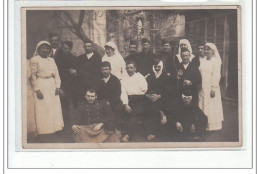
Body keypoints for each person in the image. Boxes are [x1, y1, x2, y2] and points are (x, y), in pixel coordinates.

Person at [30, 41, 64, 142]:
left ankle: (55, 128)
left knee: (54, 107)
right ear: (38, 49)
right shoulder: (34, 60)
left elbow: (57, 74)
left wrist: (58, 86)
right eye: (43, 48)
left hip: (51, 85)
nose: (45, 50)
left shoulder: (52, 60)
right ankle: (44, 130)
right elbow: (33, 76)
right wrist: (37, 89)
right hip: (41, 84)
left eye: (47, 48)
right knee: (43, 108)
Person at [146, 58, 180, 141]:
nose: (157, 68)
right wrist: (149, 95)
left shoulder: (166, 76)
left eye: (159, 67)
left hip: (163, 97)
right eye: (155, 67)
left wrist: (159, 96)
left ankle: (155, 131)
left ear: (161, 67)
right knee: (151, 106)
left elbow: (168, 90)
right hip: (152, 97)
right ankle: (154, 129)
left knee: (158, 105)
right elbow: (147, 88)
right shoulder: (150, 76)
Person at [198, 43, 224, 131]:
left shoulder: (216, 61)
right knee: (203, 104)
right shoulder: (204, 60)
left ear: (213, 51)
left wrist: (213, 88)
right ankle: (203, 124)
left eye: (208, 49)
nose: (206, 51)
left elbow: (216, 75)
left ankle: (212, 126)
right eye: (205, 49)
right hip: (202, 87)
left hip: (211, 87)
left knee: (211, 105)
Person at [120, 61, 148, 142]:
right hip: (128, 99)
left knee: (135, 114)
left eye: (131, 68)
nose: (129, 70)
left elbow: (143, 90)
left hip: (139, 99)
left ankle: (127, 135)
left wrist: (134, 93)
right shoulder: (124, 78)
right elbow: (123, 92)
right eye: (128, 68)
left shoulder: (140, 77)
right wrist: (126, 104)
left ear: (135, 68)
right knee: (118, 109)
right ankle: (119, 131)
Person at [27, 59, 37, 142]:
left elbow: (33, 76)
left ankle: (30, 132)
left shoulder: (28, 62)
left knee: (30, 110)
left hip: (28, 88)